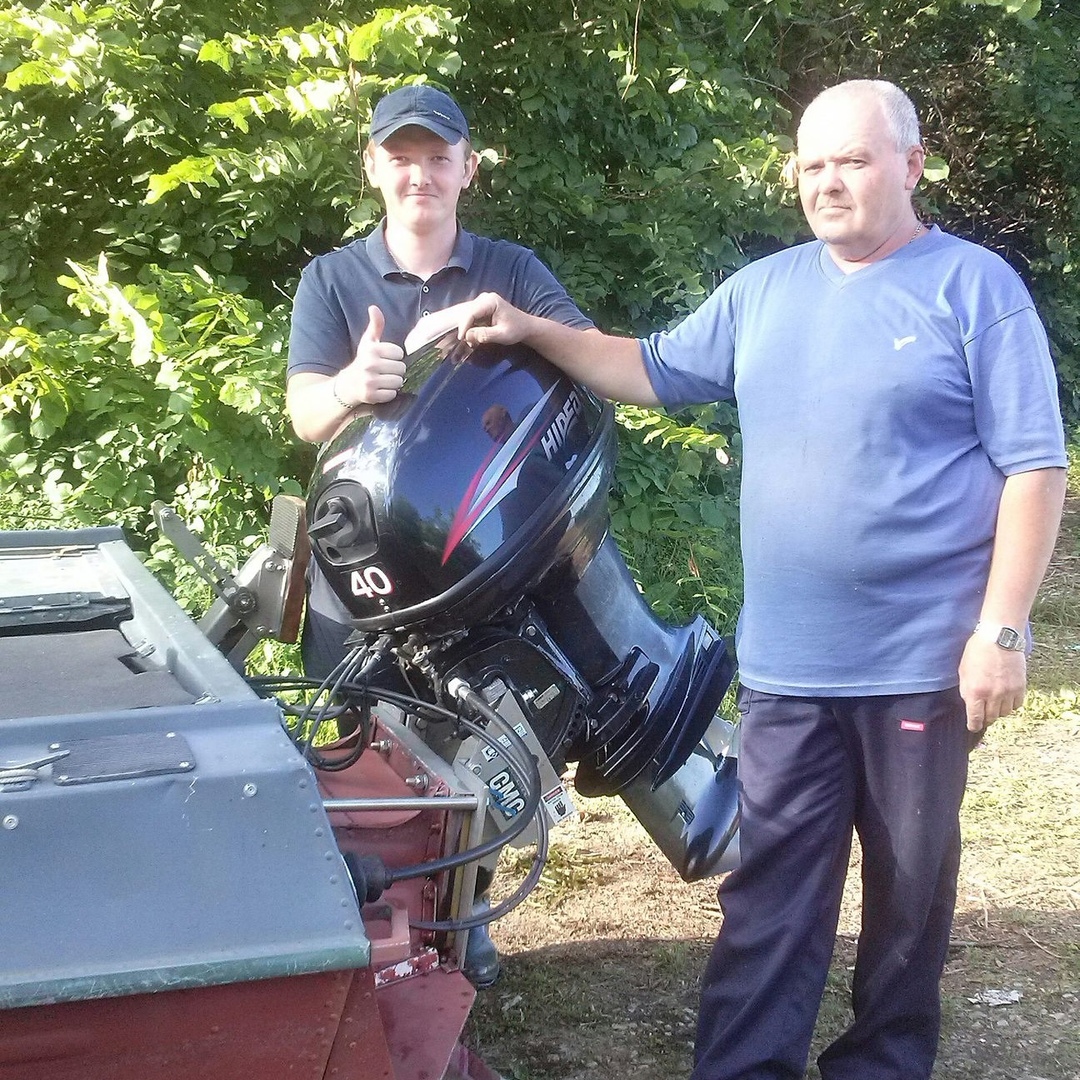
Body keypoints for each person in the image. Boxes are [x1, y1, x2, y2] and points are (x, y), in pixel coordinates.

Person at [443, 79, 1067, 1080]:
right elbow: (645, 367)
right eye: (813, 165)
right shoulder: (764, 291)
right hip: (787, 669)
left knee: (909, 892)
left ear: (911, 166)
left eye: (853, 160)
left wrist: (1002, 629)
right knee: (769, 890)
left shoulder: (975, 288)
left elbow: (1033, 467)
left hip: (919, 665)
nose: (829, 182)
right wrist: (530, 329)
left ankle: (883, 1063)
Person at [285, 83, 596, 989]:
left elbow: (587, 354)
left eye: (437, 157)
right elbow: (304, 413)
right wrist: (349, 387)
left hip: (482, 567)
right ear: (372, 167)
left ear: (468, 169)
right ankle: (375, 926)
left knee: (488, 745)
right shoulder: (331, 280)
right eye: (401, 157)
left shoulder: (512, 267)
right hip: (362, 574)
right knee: (362, 748)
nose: (419, 173)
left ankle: (469, 910)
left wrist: (520, 325)